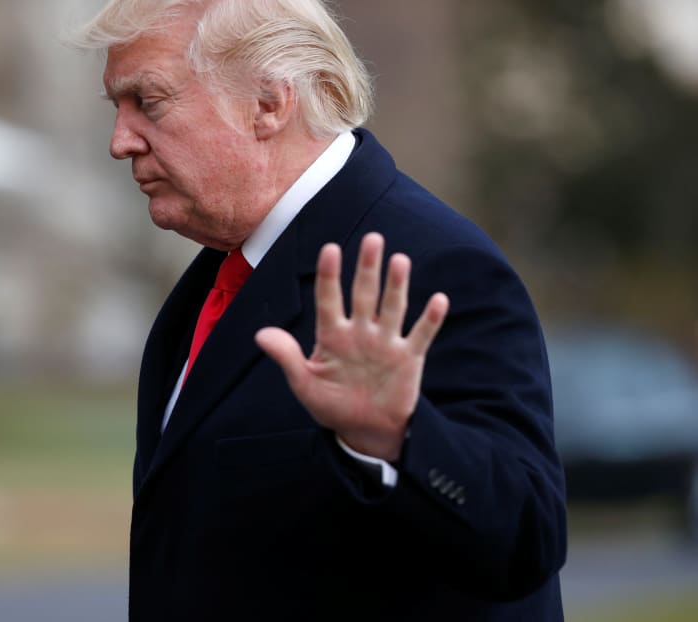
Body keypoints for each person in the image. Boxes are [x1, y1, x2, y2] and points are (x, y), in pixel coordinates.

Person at [71, 0, 567, 619]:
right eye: (116, 108)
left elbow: (526, 538)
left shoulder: (429, 263)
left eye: (148, 101)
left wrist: (398, 439)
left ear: (269, 103)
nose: (120, 141)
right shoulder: (217, 274)